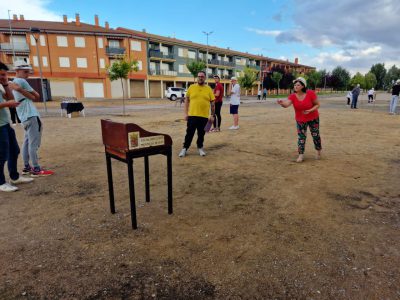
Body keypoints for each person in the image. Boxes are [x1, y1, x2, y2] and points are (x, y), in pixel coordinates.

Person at [10, 60, 54, 176]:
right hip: (31, 115)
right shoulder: (21, 81)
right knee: (33, 143)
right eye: (25, 72)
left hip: (23, 117)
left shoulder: (13, 82)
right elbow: (36, 96)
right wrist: (22, 90)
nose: (27, 74)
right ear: (18, 71)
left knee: (27, 142)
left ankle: (27, 166)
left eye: (28, 72)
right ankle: (36, 168)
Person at [0, 62, 34, 192]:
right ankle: (1, 182)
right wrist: (6, 104)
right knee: (2, 154)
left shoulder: (2, 86)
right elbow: (8, 102)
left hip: (5, 124)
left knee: (14, 150)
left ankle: (14, 177)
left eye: (5, 74)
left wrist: (5, 84)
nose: (4, 77)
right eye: (1, 75)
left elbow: (10, 98)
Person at [277, 77, 322, 163]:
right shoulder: (293, 96)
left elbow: (317, 105)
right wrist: (282, 103)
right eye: (295, 85)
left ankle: (318, 151)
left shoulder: (310, 93)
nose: (295, 86)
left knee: (315, 135)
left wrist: (310, 110)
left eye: (298, 85)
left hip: (313, 118)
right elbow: (287, 104)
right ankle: (301, 155)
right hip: (300, 119)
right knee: (301, 137)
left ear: (303, 86)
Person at [178, 71, 215, 157]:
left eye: (202, 76)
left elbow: (212, 102)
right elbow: (187, 100)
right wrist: (185, 113)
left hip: (204, 116)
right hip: (192, 115)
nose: (200, 78)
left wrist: (212, 115)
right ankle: (184, 148)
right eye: (199, 76)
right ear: (197, 77)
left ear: (205, 78)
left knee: (201, 134)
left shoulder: (208, 89)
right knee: (189, 133)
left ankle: (200, 147)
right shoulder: (191, 87)